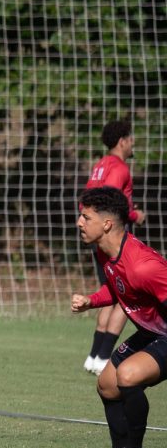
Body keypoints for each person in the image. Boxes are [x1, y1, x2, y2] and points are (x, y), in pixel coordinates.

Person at [71, 185, 162, 448]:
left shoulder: (144, 267)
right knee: (108, 385)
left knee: (128, 376)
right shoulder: (105, 251)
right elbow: (117, 286)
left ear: (107, 224)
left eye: (86, 217)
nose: (79, 222)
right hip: (151, 332)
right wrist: (91, 301)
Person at [82, 120, 147, 375]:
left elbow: (87, 202)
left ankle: (94, 356)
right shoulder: (119, 168)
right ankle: (104, 357)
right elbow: (108, 202)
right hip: (112, 236)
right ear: (122, 141)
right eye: (131, 139)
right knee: (125, 296)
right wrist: (133, 216)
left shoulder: (100, 165)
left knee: (109, 293)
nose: (133, 144)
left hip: (99, 235)